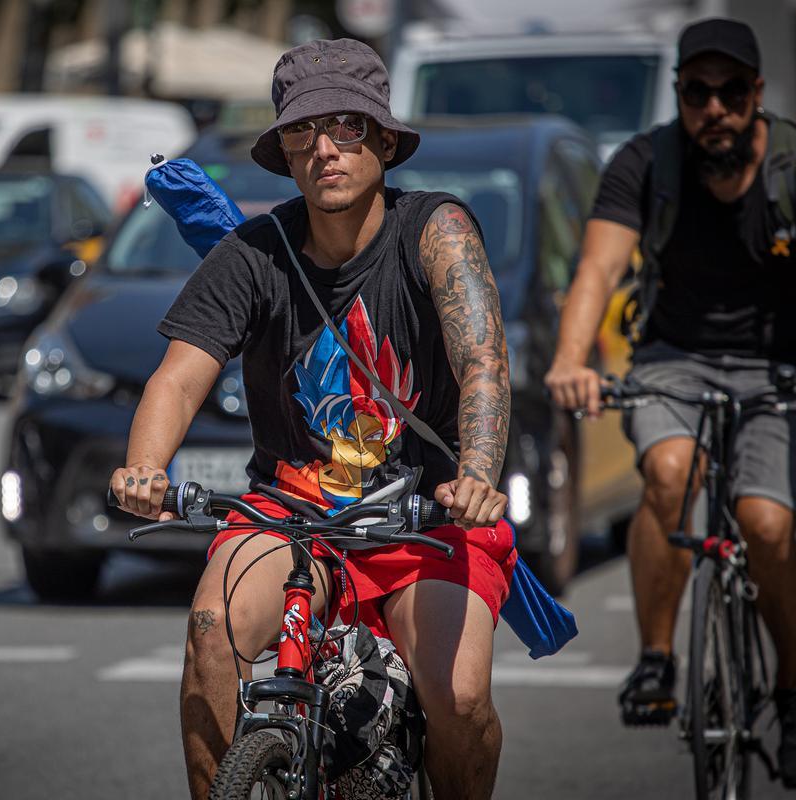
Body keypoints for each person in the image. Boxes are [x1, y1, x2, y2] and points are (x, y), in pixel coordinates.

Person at [110, 38, 515, 799]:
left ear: (384, 140)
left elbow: (484, 365)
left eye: (347, 127)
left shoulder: (437, 230)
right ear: (284, 151)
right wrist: (146, 468)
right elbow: (178, 377)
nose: (324, 148)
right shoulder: (254, 252)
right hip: (293, 515)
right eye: (303, 131)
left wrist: (479, 476)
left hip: (429, 518)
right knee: (209, 637)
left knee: (459, 700)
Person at [545, 17, 796, 789]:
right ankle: (657, 658)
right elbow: (596, 271)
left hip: (786, 368)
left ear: (757, 94)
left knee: (766, 522)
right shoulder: (645, 162)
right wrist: (569, 362)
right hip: (674, 361)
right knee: (668, 474)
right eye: (698, 92)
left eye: (731, 91)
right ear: (680, 96)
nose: (714, 108)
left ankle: (795, 689)